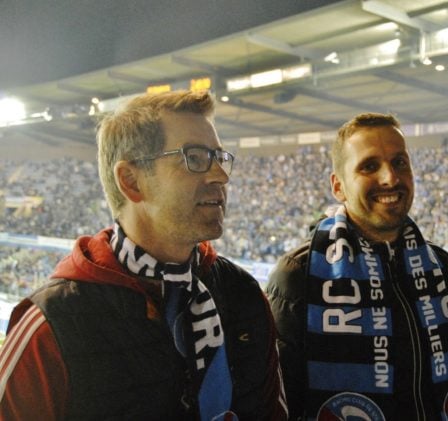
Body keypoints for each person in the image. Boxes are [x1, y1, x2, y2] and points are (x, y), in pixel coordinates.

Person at [0, 91, 287, 420]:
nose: (220, 175)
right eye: (194, 158)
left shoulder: (243, 293)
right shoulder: (50, 324)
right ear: (131, 181)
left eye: (219, 158)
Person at [266, 113, 448, 420]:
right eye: (369, 166)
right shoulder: (299, 274)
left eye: (400, 162)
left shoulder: (440, 267)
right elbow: (281, 404)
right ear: (338, 187)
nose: (390, 178)